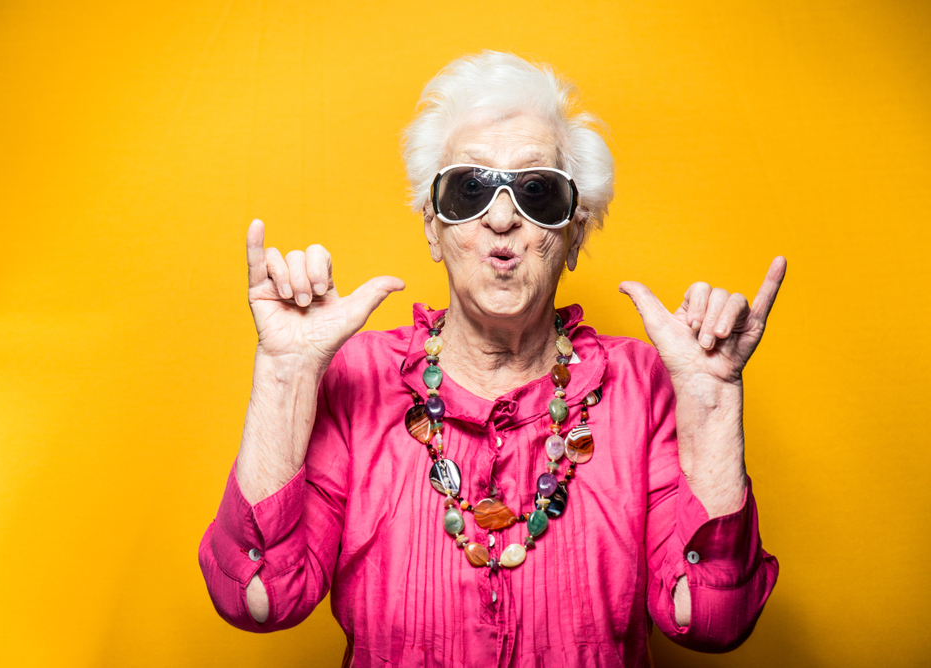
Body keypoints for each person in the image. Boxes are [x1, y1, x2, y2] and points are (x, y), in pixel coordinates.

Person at [199, 51, 782, 667]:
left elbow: (715, 620)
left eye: (538, 191)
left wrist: (713, 399)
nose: (501, 219)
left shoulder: (645, 386)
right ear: (432, 225)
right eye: (469, 189)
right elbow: (258, 598)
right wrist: (286, 374)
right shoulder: (356, 378)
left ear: (576, 233)